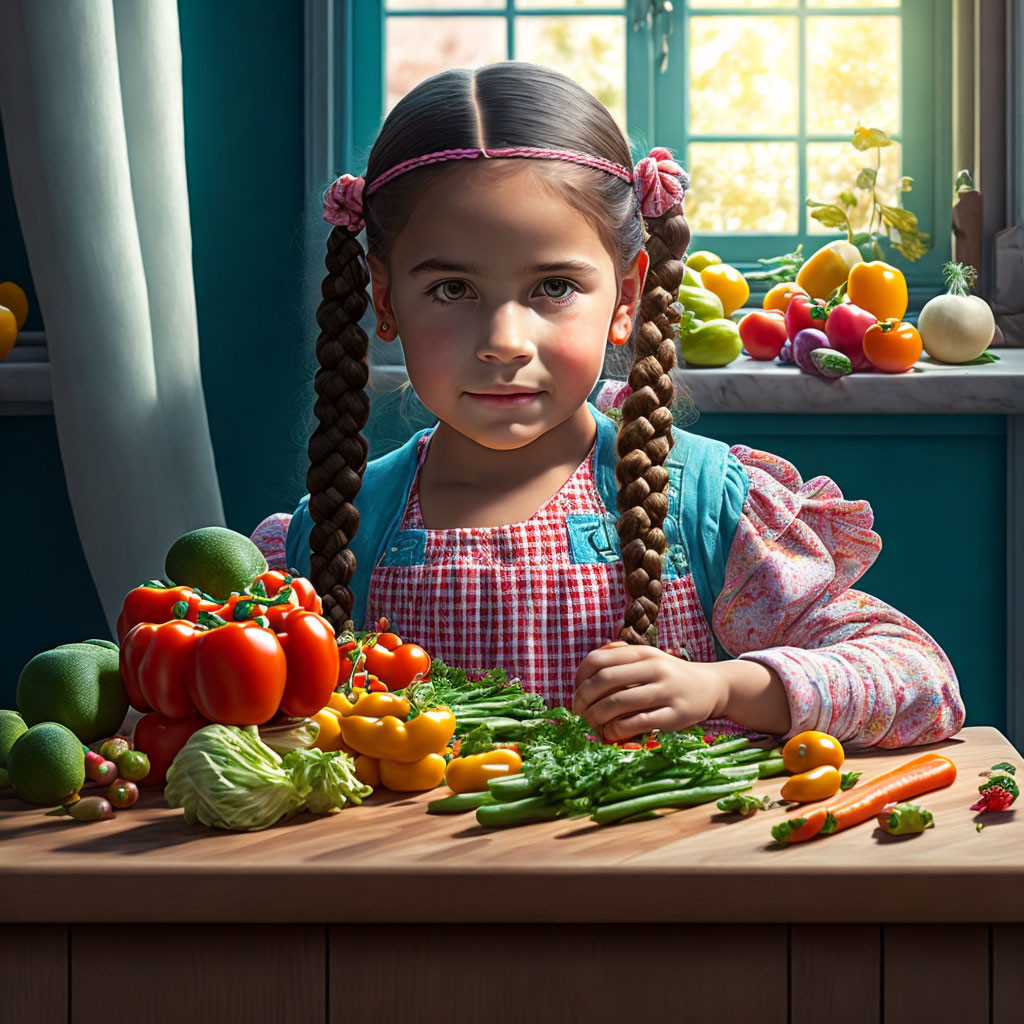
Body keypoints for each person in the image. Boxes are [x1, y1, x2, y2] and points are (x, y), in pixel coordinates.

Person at [251, 61, 964, 749]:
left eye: (553, 287)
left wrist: (727, 689)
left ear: (626, 299)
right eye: (451, 290)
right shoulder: (336, 537)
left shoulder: (707, 509)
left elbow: (922, 681)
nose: (504, 342)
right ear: (384, 300)